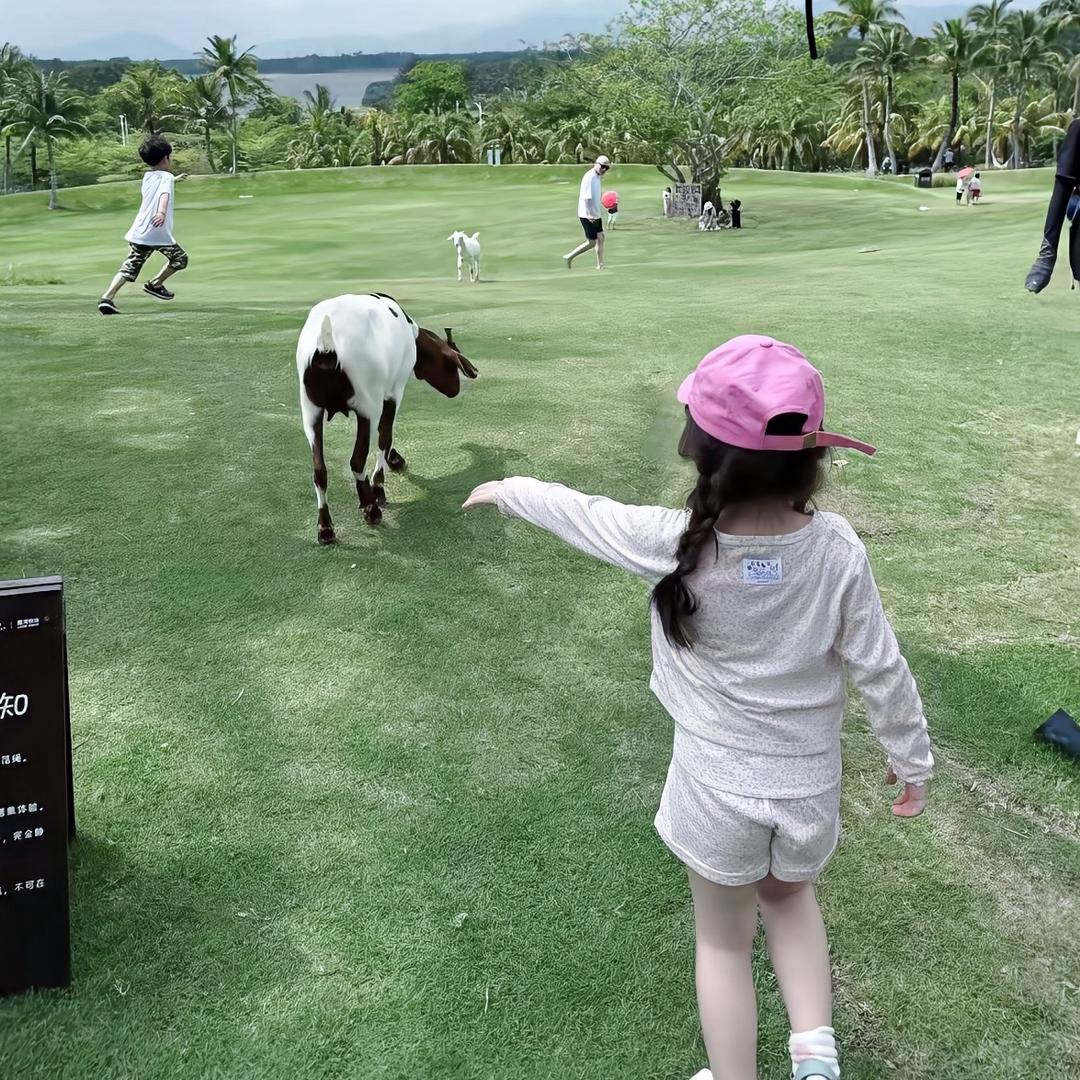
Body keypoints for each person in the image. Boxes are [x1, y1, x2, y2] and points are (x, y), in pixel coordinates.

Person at [463, 335, 933, 1080]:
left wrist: (508, 488)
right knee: (790, 901)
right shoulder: (839, 550)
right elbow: (881, 666)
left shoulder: (676, 543)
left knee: (721, 943)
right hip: (808, 788)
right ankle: (815, 1057)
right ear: (811, 460)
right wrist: (913, 761)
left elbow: (586, 514)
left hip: (713, 792)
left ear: (701, 453)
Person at [97, 135, 188, 315]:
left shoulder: (148, 177)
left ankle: (107, 298)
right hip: (157, 232)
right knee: (180, 259)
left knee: (130, 267)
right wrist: (161, 212)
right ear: (165, 158)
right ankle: (156, 284)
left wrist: (174, 180)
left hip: (140, 232)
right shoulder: (167, 177)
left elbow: (159, 185)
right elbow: (164, 195)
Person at [564, 155, 610, 270]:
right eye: (603, 166)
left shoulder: (597, 176)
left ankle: (600, 265)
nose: (604, 169)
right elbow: (587, 198)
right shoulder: (589, 177)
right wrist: (590, 215)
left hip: (595, 213)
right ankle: (569, 257)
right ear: (596, 163)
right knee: (592, 242)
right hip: (587, 214)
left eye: (607, 168)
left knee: (601, 237)